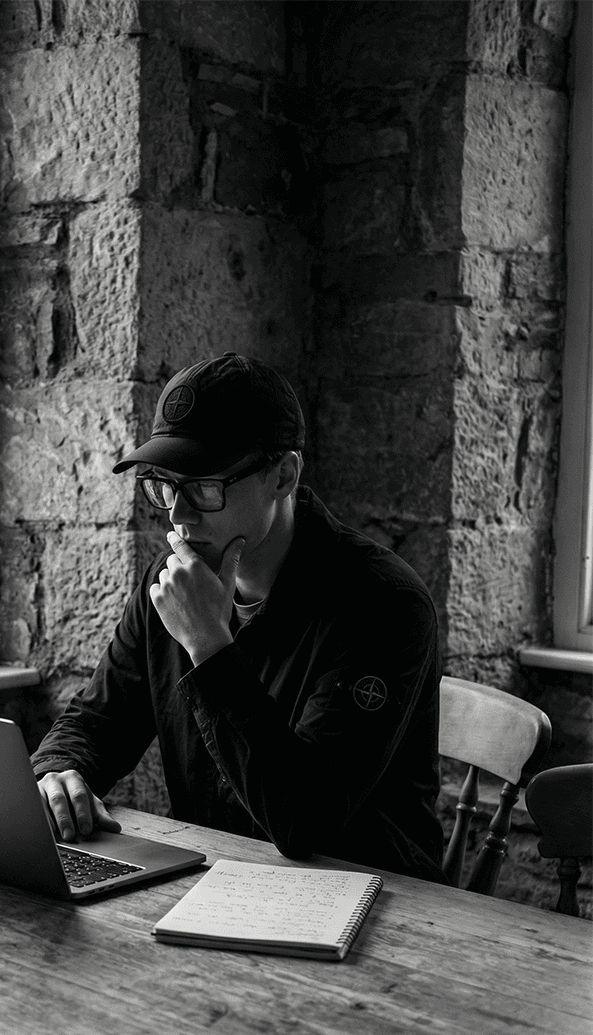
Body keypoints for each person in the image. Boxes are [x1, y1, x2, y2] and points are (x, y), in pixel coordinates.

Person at [31, 352, 446, 882]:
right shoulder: (173, 581)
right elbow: (98, 719)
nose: (179, 515)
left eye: (205, 487)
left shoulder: (383, 605)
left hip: (377, 905)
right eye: (163, 486)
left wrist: (209, 646)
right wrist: (59, 770)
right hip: (223, 884)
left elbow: (304, 822)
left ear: (283, 475)